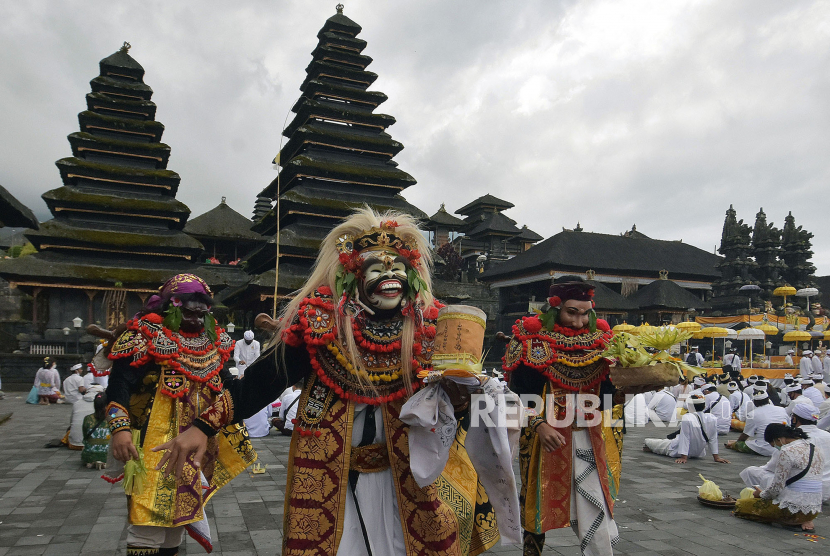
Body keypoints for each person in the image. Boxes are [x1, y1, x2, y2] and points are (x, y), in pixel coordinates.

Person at [151, 210, 511, 556]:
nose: (390, 275)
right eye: (376, 267)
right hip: (331, 474)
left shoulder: (431, 332)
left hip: (410, 476)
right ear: (352, 274)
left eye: (398, 267)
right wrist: (202, 426)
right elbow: (261, 383)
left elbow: (454, 404)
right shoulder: (319, 326)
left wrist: (462, 400)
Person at [104, 273, 255, 555]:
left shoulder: (214, 340)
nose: (197, 321)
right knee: (146, 514)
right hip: (152, 439)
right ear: (170, 307)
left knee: (178, 515)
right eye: (188, 313)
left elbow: (228, 387)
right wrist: (120, 429)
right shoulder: (145, 334)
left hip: (196, 440)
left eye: (202, 314)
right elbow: (119, 384)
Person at [503, 276, 625, 556]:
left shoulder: (602, 342)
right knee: (537, 504)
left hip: (591, 436)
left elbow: (606, 395)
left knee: (596, 502)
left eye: (586, 313)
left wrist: (624, 392)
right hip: (546, 439)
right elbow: (517, 395)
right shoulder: (531, 338)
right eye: (572, 312)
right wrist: (538, 424)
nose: (580, 322)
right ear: (554, 307)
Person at [734, 423, 823, 531]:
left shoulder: (787, 451)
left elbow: (776, 488)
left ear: (779, 439)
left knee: (741, 506)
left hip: (790, 511)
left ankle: (789, 520)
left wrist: (761, 494)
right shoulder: (815, 448)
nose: (777, 447)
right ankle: (803, 519)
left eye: (774, 444)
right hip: (813, 511)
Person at [644, 394, 730, 464]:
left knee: (648, 442)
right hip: (698, 453)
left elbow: (685, 438)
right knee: (661, 443)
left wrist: (683, 457)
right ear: (704, 407)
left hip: (677, 450)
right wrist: (716, 457)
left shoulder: (687, 417)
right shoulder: (712, 418)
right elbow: (713, 438)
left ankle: (650, 448)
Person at [726, 389, 788, 456]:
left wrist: (737, 443)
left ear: (754, 402)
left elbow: (745, 435)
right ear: (768, 399)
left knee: (738, 444)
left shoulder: (752, 414)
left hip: (765, 448)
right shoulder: (782, 409)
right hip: (782, 447)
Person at [63, 363, 94, 450]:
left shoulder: (66, 379)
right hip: (77, 398)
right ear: (76, 371)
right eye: (80, 369)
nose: (81, 370)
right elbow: (81, 390)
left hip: (67, 399)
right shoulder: (79, 378)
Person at [82, 392, 111, 469]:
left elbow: (85, 436)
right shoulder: (112, 418)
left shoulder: (87, 418)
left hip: (89, 454)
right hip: (108, 454)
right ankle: (104, 460)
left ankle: (92, 460)